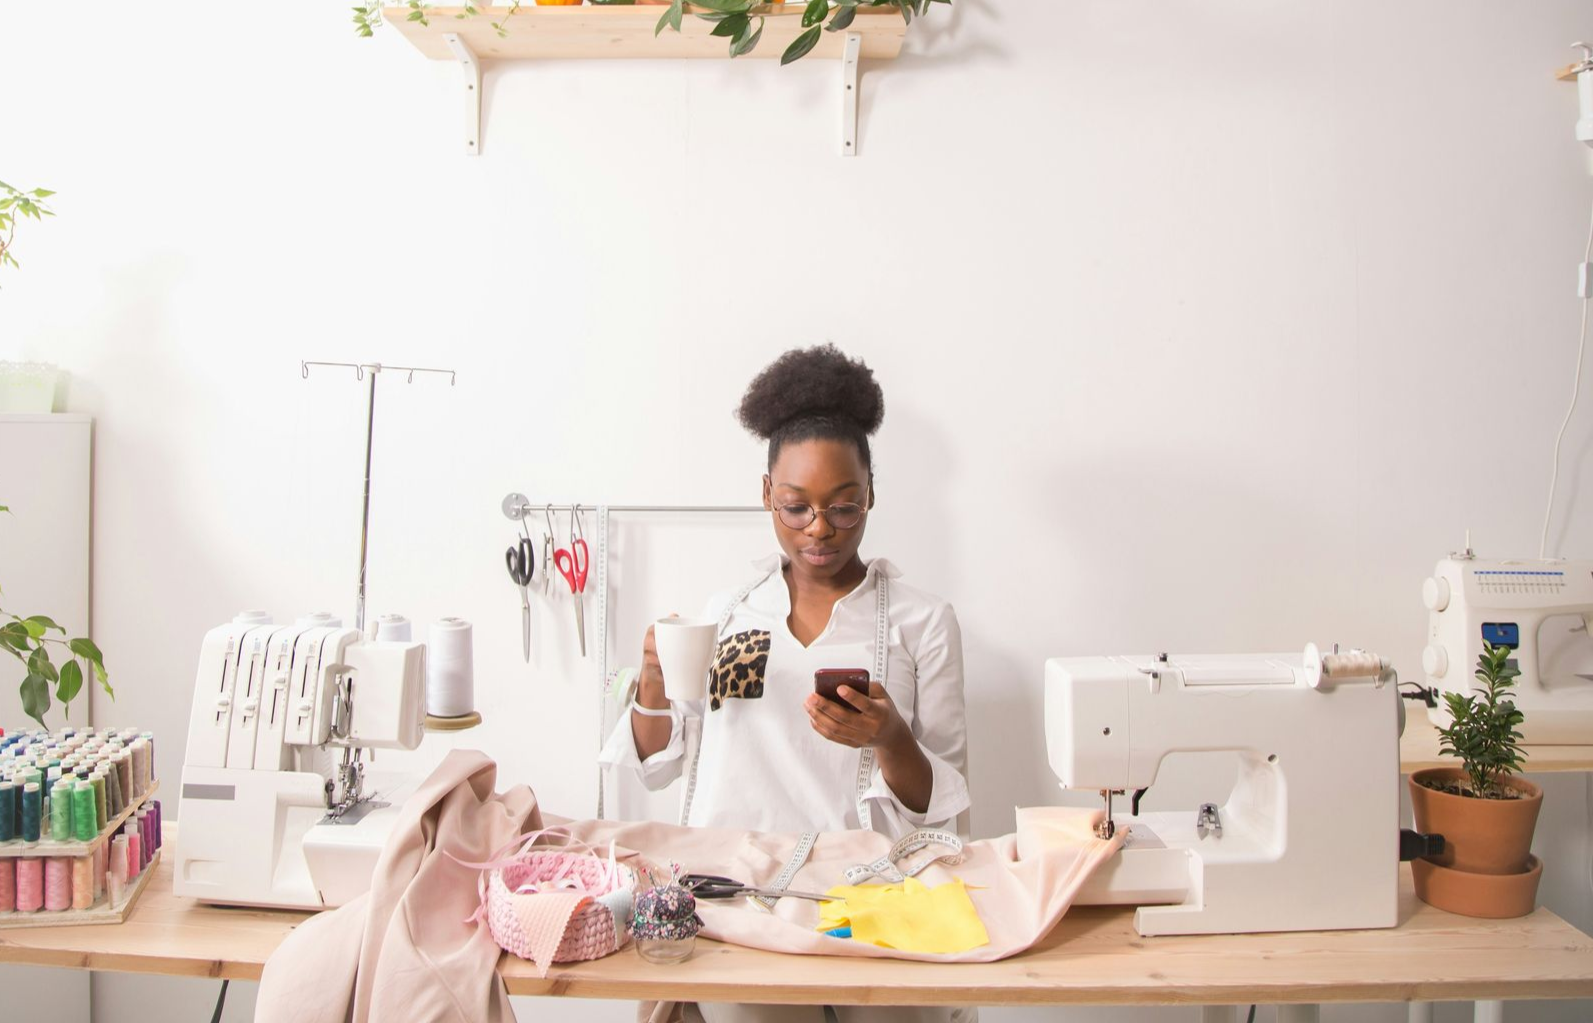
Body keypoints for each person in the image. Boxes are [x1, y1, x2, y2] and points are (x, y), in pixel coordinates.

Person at [600, 345, 974, 1023]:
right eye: (796, 506)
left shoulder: (922, 622)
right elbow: (660, 766)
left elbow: (942, 808)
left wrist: (889, 737)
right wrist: (652, 686)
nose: (820, 529)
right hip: (740, 899)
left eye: (845, 506)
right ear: (766, 492)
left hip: (874, 899)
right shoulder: (727, 614)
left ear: (871, 494)